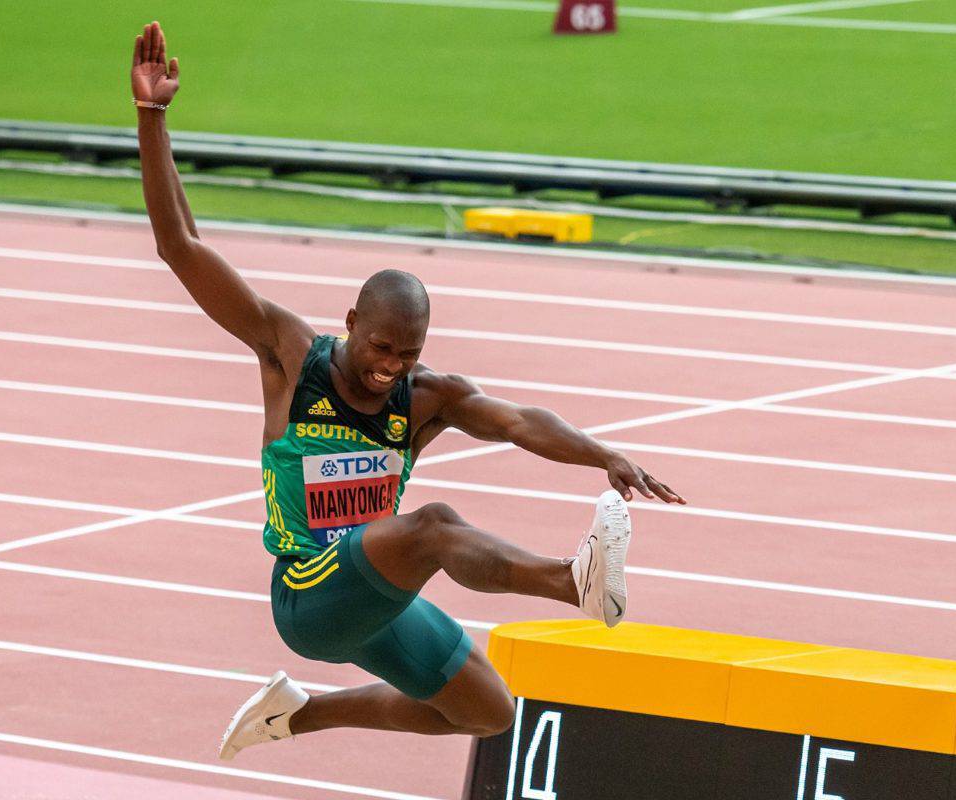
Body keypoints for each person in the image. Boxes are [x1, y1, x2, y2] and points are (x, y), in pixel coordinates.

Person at [130, 21, 685, 757]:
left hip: (374, 595)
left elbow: (518, 421)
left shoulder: (426, 397)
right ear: (351, 323)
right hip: (309, 596)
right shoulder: (289, 356)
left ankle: (296, 715)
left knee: (488, 711)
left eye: (409, 353)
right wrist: (153, 116)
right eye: (381, 348)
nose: (391, 366)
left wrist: (602, 454)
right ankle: (569, 582)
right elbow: (180, 246)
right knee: (434, 526)